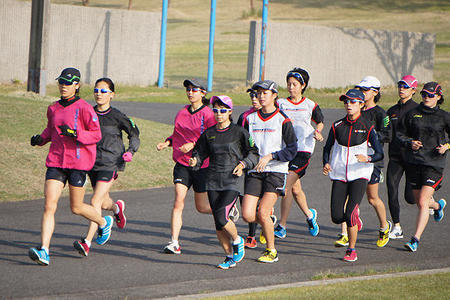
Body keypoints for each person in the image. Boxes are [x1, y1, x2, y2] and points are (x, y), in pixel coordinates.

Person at [29, 67, 110, 265]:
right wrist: (40, 139)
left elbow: (96, 135)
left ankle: (102, 221)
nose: (63, 86)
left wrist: (76, 134)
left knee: (76, 207)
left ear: (77, 85)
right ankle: (44, 250)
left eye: (67, 83)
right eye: (61, 82)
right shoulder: (53, 108)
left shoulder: (84, 108)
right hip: (56, 162)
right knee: (49, 205)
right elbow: (51, 131)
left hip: (78, 163)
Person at [189, 95, 259, 269]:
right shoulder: (209, 134)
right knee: (218, 223)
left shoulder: (239, 132)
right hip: (212, 181)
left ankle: (237, 240)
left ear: (230, 112)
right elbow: (199, 152)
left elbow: (253, 153)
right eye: (216, 110)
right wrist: (195, 160)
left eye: (222, 110)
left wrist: (243, 164)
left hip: (231, 181)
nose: (218, 114)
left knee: (221, 217)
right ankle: (229, 256)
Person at [73, 78, 140, 257]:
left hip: (111, 162)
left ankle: (86, 242)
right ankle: (116, 208)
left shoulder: (117, 116)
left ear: (112, 94)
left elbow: (134, 133)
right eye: (96, 90)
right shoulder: (88, 113)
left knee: (95, 202)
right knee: (103, 202)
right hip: (90, 163)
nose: (99, 94)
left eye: (104, 91)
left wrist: (131, 151)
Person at [323, 89, 384, 262]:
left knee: (350, 213)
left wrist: (368, 158)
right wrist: (326, 163)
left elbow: (380, 153)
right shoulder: (336, 126)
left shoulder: (367, 126)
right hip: (340, 174)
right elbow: (327, 148)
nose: (348, 105)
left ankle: (351, 249)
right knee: (336, 216)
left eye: (353, 102)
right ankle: (354, 221)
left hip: (360, 174)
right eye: (346, 102)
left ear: (361, 104)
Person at [156, 78, 216, 254]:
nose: (190, 92)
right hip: (182, 164)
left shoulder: (209, 115)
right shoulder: (182, 112)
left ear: (203, 93)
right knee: (178, 201)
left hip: (202, 165)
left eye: (194, 90)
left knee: (202, 207)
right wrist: (167, 143)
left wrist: (194, 144)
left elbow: (212, 138)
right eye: (188, 89)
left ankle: (225, 209)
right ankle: (174, 242)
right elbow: (177, 134)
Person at [241, 80, 297, 263]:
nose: (261, 96)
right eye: (259, 93)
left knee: (263, 211)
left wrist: (270, 156)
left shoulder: (283, 120)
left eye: (265, 93)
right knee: (248, 215)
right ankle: (268, 223)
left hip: (276, 171)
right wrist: (244, 162)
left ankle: (271, 251)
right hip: (255, 171)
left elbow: (292, 150)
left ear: (274, 96)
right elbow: (243, 145)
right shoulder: (250, 119)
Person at [397, 82, 448, 252]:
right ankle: (438, 206)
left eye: (431, 95)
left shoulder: (444, 116)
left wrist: (447, 146)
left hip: (434, 164)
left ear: (439, 97)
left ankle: (415, 239)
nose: (426, 97)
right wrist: (409, 142)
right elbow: (399, 134)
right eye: (424, 94)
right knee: (421, 203)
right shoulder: (413, 114)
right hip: (415, 162)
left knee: (422, 200)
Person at [274, 67, 324, 239]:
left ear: (303, 85)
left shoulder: (310, 105)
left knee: (285, 186)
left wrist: (318, 131)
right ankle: (310, 216)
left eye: (295, 84)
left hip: (303, 151)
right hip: (285, 150)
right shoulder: (280, 103)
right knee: (295, 190)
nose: (291, 87)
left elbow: (320, 121)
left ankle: (282, 225)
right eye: (289, 84)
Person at [237, 89, 276, 249]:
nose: (255, 98)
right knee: (247, 204)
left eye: (257, 95)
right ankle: (264, 222)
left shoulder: (275, 116)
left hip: (271, 168)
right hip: (249, 163)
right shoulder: (246, 117)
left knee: (262, 204)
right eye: (252, 95)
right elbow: (238, 138)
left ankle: (253, 236)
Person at [386, 75, 419, 239]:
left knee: (411, 198)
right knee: (391, 189)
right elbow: (385, 131)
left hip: (413, 159)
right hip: (395, 158)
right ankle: (397, 226)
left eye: (405, 87)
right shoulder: (391, 111)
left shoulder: (418, 111)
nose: (401, 89)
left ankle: (433, 203)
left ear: (414, 90)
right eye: (400, 86)